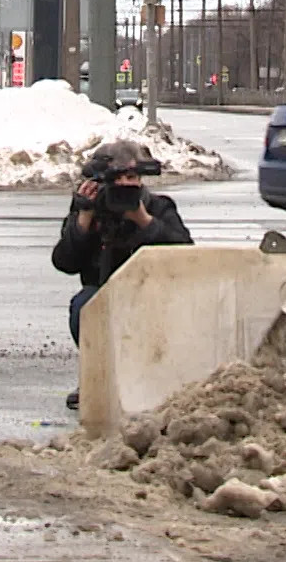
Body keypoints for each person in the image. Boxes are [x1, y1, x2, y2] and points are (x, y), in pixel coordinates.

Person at [51, 141, 193, 410]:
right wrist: (83, 221)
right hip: (103, 297)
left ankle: (152, 379)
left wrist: (145, 222)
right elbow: (64, 262)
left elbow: (185, 253)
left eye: (133, 178)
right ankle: (97, 377)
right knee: (84, 304)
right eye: (119, 179)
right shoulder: (91, 210)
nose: (127, 186)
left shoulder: (158, 207)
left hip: (152, 298)